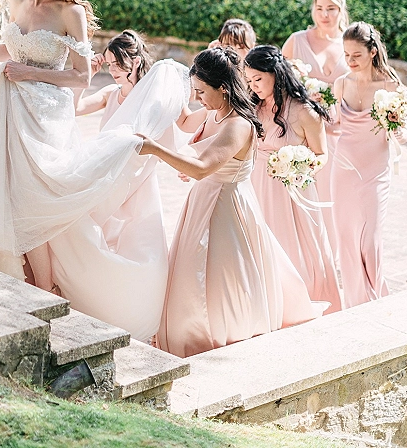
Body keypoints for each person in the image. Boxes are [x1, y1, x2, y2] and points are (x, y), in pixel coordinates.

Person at [0, 0, 188, 339]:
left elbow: (82, 76)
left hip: (46, 114)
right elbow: (12, 46)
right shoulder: (17, 0)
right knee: (13, 194)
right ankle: (27, 279)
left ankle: (46, 288)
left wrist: (29, 72)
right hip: (8, 107)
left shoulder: (72, 13)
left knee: (39, 198)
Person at [136, 47, 321, 358]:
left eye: (201, 91)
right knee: (190, 273)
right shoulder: (213, 112)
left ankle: (221, 338)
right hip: (202, 201)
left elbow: (202, 168)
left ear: (222, 88)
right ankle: (186, 333)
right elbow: (196, 153)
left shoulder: (237, 124)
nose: (197, 98)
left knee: (222, 276)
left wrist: (154, 149)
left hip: (226, 208)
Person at [244, 45, 341, 313]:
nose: (254, 87)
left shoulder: (304, 111)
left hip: (292, 190)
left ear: (275, 73)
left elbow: (321, 154)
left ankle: (300, 304)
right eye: (250, 81)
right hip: (256, 185)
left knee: (296, 249)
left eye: (258, 79)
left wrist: (300, 167)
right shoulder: (253, 107)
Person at [331, 22, 407, 308]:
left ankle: (375, 299)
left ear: (372, 52)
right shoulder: (341, 84)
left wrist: (399, 132)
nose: (350, 61)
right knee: (346, 239)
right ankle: (355, 303)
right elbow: (335, 125)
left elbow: (404, 131)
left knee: (370, 240)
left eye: (356, 55)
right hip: (342, 170)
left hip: (375, 173)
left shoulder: (391, 86)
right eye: (346, 55)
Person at [282, 0, 349, 259]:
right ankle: (311, 254)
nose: (325, 14)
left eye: (331, 9)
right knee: (309, 188)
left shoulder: (349, 42)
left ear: (341, 10)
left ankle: (337, 255)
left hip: (341, 131)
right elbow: (281, 83)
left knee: (339, 194)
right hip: (305, 130)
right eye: (319, 8)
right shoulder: (297, 41)